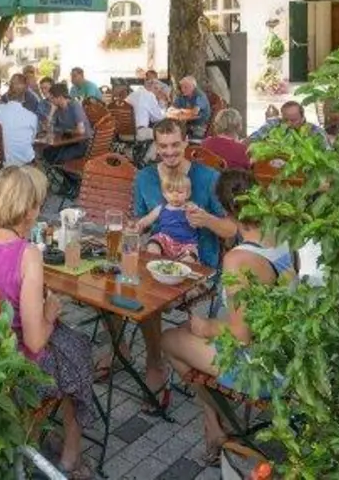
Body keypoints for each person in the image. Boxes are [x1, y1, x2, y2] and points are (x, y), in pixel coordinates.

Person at [0, 166, 96, 479]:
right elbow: (35, 342)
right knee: (80, 351)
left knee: (71, 346)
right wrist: (48, 313)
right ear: (30, 209)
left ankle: (41, 434)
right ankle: (70, 455)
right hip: (15, 366)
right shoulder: (26, 253)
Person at [161, 169, 296, 467]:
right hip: (291, 353)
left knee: (170, 339)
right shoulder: (284, 233)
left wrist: (205, 325)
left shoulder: (239, 259)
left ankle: (219, 427)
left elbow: (240, 336)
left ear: (225, 210)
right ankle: (216, 425)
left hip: (265, 370)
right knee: (189, 335)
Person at [103, 119, 238, 406]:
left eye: (175, 144)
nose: (169, 152)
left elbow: (232, 230)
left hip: (198, 268)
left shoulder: (208, 178)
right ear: (155, 146)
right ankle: (122, 350)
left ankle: (155, 363)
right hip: (157, 258)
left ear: (186, 142)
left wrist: (207, 220)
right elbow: (141, 222)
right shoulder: (144, 177)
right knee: (108, 286)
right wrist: (132, 228)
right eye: (162, 146)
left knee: (145, 297)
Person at [135, 170, 201, 262]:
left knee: (191, 257)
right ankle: (155, 260)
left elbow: (199, 223)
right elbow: (147, 220)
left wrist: (193, 212)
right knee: (153, 244)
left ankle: (182, 265)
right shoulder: (161, 208)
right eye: (170, 192)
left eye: (180, 192)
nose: (175, 195)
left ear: (188, 194)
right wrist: (139, 225)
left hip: (186, 244)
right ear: (164, 194)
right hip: (165, 240)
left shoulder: (190, 207)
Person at [0, 79, 39, 165]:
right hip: (24, 163)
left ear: (8, 95)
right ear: (23, 98)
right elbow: (31, 141)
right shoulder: (32, 117)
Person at [41, 80, 91, 165]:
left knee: (59, 157)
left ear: (60, 97)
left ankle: (72, 177)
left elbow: (81, 131)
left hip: (82, 143)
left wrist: (65, 131)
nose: (50, 100)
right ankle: (63, 174)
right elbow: (47, 128)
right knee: (47, 152)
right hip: (68, 141)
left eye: (52, 98)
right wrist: (51, 112)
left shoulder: (74, 106)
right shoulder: (58, 108)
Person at [248, 99, 328, 145]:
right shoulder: (274, 124)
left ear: (303, 118)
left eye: (293, 120)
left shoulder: (316, 131)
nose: (289, 124)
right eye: (285, 120)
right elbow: (251, 140)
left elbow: (328, 154)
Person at [200, 107, 252, 171]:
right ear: (238, 126)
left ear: (217, 124)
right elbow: (249, 170)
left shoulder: (205, 143)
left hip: (208, 180)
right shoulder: (242, 150)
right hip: (230, 180)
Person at [172, 75, 212, 140]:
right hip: (186, 124)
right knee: (173, 135)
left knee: (193, 142)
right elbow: (171, 109)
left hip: (200, 125)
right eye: (182, 87)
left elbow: (195, 112)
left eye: (186, 87)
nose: (183, 89)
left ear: (193, 87)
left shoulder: (200, 95)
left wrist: (181, 111)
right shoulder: (181, 95)